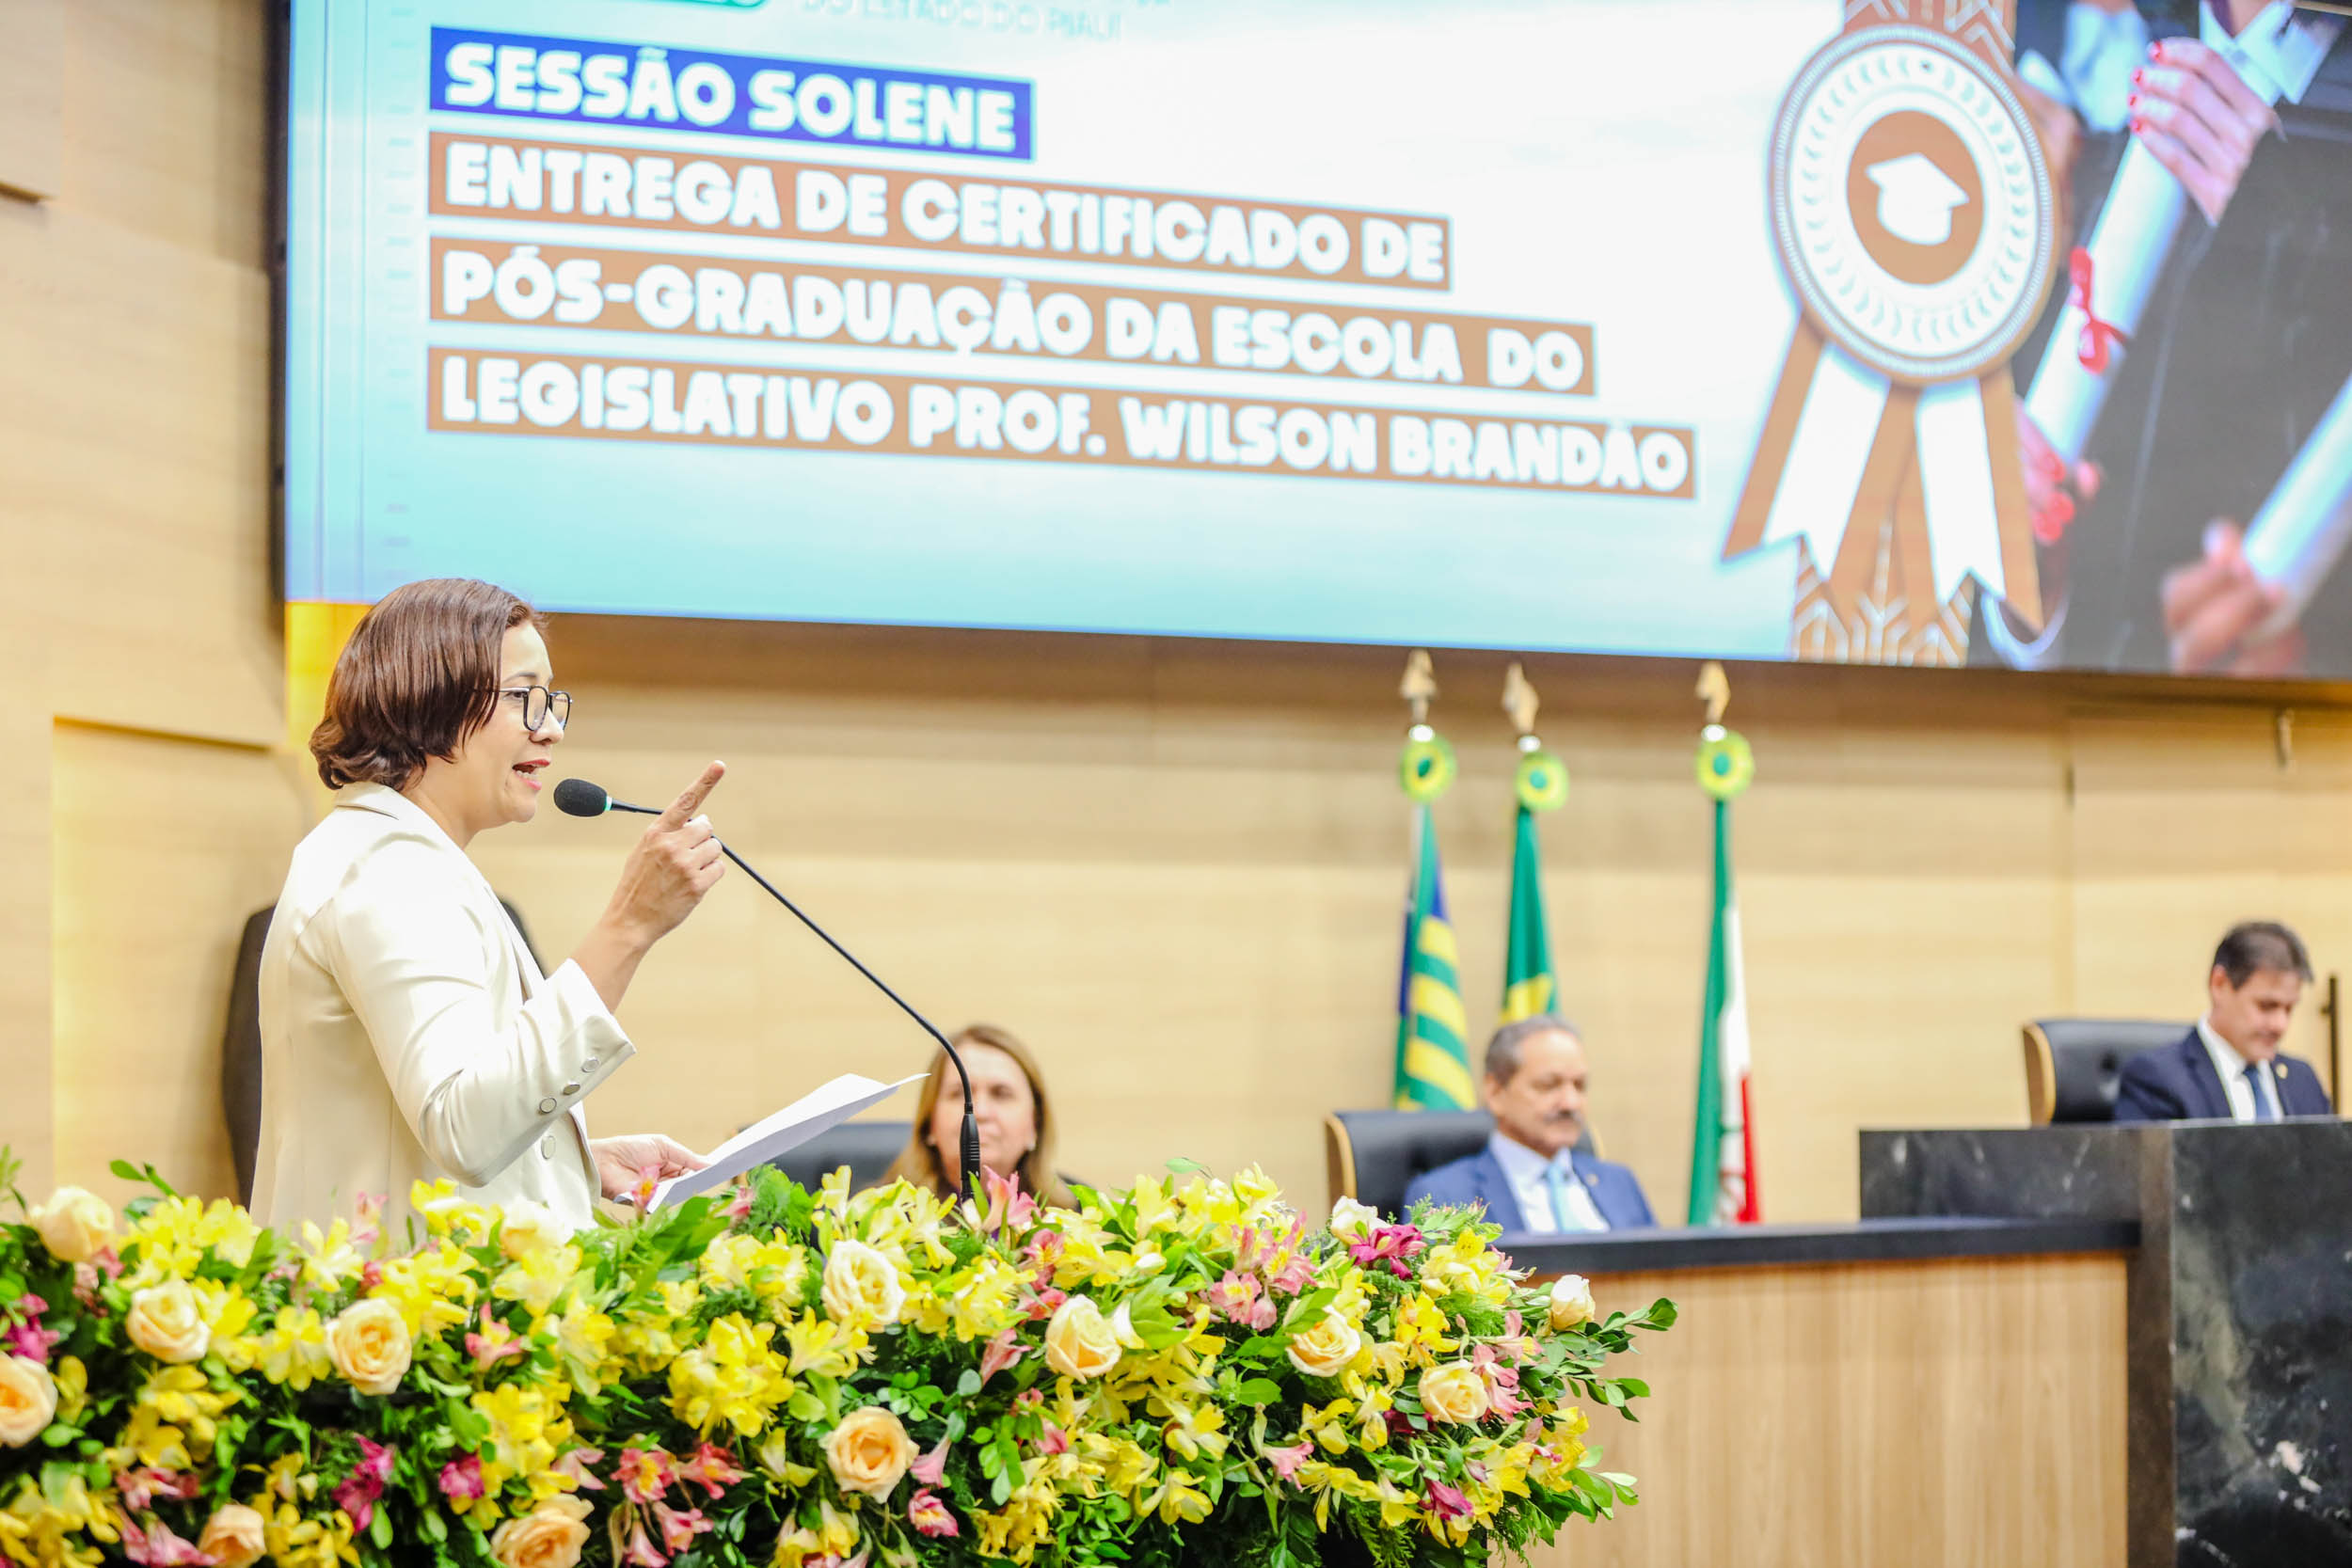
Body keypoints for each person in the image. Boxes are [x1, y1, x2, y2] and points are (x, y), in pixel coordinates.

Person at [253, 578, 727, 1235]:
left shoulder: (404, 855)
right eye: (525, 696)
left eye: (553, 699)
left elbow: (439, 1116)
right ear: (430, 698)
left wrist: (573, 1162)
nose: (553, 727)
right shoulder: (389, 869)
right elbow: (465, 1126)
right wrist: (630, 924)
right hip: (409, 1326)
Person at [1403, 1015, 1654, 1231]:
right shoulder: (1444, 1196)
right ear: (1495, 1093)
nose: (1570, 1103)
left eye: (1579, 1086)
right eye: (1548, 1085)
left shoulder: (1620, 1182)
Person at [2114, 921, 2334, 1120]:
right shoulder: (2157, 1080)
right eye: (2266, 1006)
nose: (2280, 1025)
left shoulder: (2302, 1079)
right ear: (2219, 985)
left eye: (2289, 1009)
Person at [878, 1023, 1075, 1208]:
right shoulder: (876, 1223)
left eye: (1001, 1093)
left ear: (1035, 1124)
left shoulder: (1076, 1225)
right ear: (930, 1122)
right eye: (959, 1093)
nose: (980, 1112)